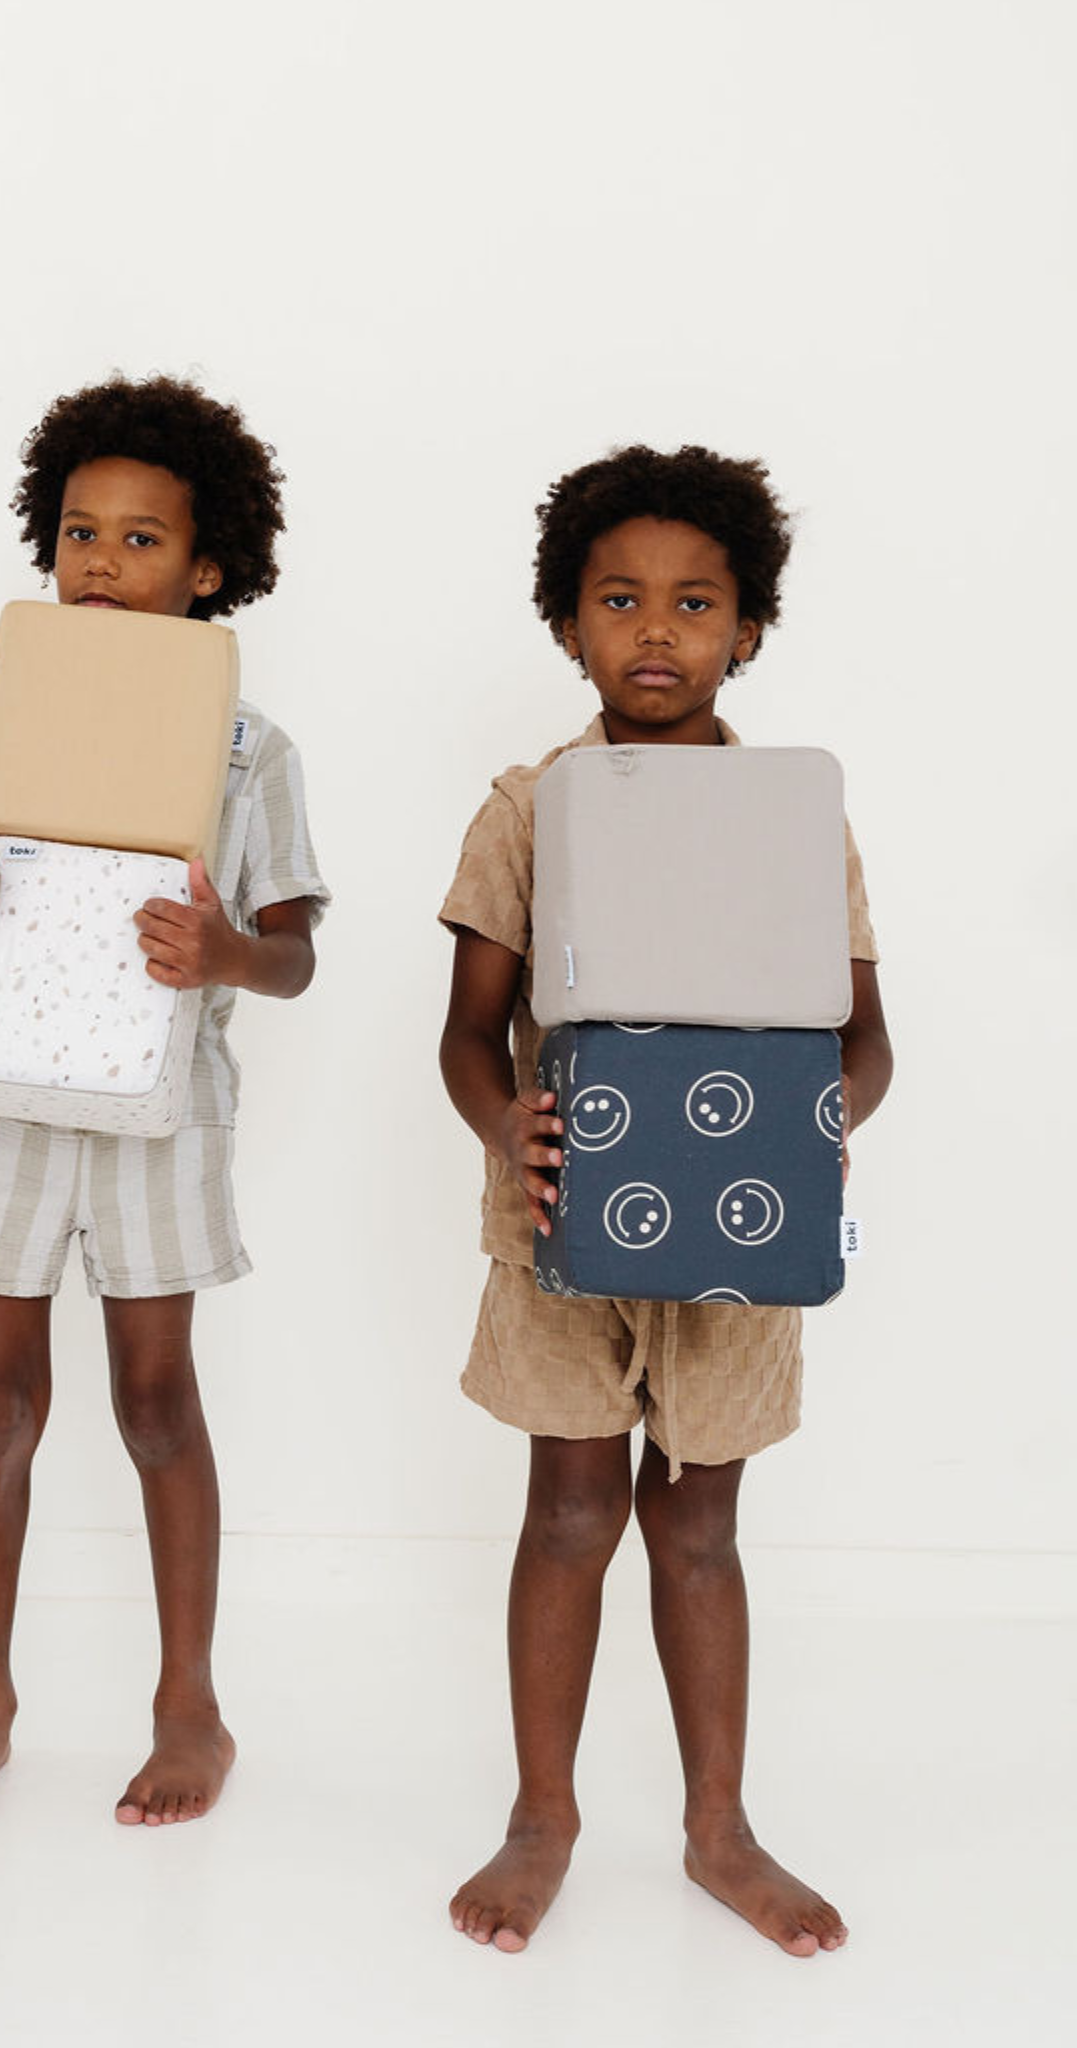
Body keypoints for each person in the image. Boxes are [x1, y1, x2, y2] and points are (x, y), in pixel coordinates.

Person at [438, 447, 893, 1954]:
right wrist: (512, 1126)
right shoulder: (528, 809)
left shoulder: (792, 818)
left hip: (743, 1238)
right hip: (563, 1229)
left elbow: (862, 1035)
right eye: (618, 599)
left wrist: (814, 1127)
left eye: (693, 603)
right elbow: (464, 1028)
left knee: (699, 1528)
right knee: (569, 1511)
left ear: (746, 629)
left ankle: (719, 1828)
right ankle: (541, 1816)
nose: (654, 629)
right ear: (567, 626)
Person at [0, 375, 328, 1827]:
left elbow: (296, 956)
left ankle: (190, 1703)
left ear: (208, 569)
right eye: (81, 534)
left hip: (156, 1109)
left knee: (156, 1403)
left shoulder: (255, 751)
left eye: (143, 542)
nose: (103, 565)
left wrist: (227, 951)